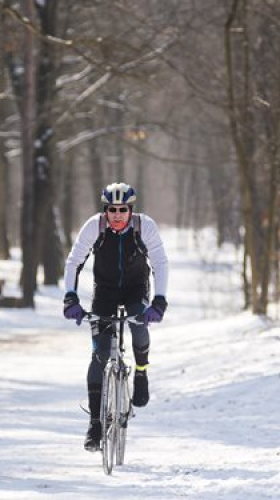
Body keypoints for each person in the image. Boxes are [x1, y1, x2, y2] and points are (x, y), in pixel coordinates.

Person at [62, 182, 169, 452]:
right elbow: (74, 261)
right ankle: (95, 424)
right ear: (105, 210)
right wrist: (70, 296)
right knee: (99, 354)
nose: (118, 215)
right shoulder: (94, 227)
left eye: (123, 209)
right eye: (113, 209)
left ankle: (142, 371)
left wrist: (159, 300)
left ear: (131, 210)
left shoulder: (144, 227)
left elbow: (159, 262)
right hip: (105, 291)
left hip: (136, 289)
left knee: (138, 323)